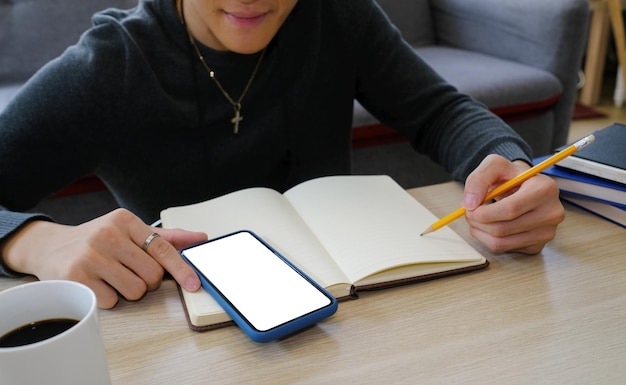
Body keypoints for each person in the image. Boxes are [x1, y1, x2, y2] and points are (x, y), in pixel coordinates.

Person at [0, 0, 565, 308]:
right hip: (190, 328)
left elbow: (439, 111)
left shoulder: (338, 16)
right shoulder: (110, 67)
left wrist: (507, 164)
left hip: (362, 308)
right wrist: (36, 240)